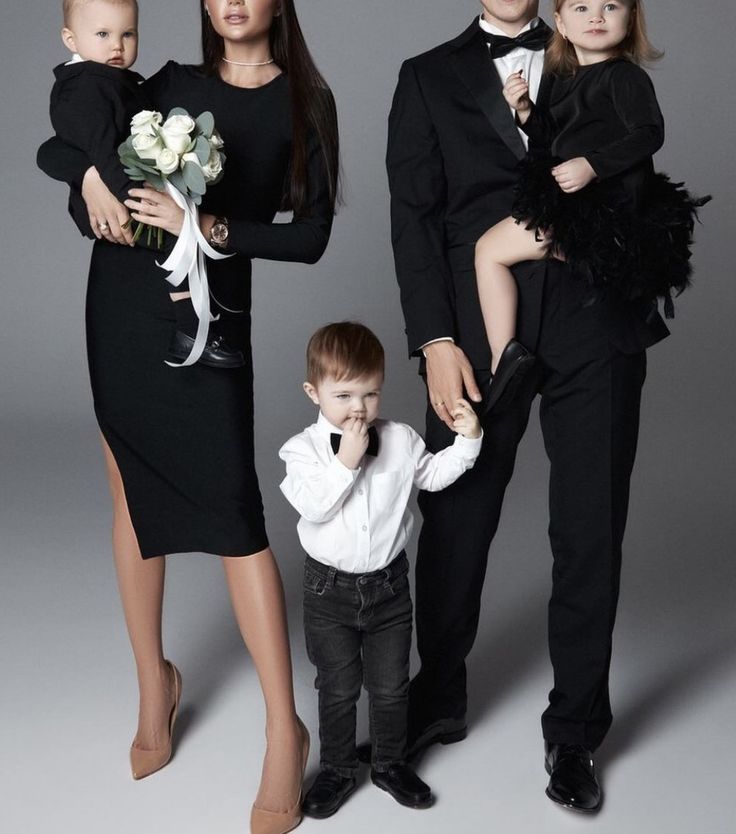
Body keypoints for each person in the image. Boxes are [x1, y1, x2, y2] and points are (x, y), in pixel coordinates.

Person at [37, 2, 339, 832]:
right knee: (131, 499)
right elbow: (60, 137)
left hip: (206, 321)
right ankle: (153, 685)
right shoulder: (164, 82)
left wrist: (204, 225)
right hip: (122, 309)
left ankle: (286, 725)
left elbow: (309, 237)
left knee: (238, 520)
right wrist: (92, 176)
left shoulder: (304, 100)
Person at [386, 0, 675, 813]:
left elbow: (636, 164)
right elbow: (414, 224)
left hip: (597, 321)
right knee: (457, 515)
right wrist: (436, 340)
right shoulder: (427, 77)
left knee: (589, 527)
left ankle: (576, 730)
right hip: (482, 333)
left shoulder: (592, 53)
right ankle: (436, 695)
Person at [278, 322, 482, 819]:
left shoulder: (400, 438)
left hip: (389, 587)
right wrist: (345, 463)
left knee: (391, 684)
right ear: (314, 392)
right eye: (343, 394)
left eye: (369, 394)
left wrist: (468, 441)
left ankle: (390, 762)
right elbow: (315, 508)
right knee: (338, 685)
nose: (358, 408)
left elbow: (432, 477)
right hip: (328, 592)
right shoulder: (301, 451)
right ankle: (338, 768)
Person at [475, 0, 708, 411]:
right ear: (560, 24)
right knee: (499, 253)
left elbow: (649, 134)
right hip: (573, 205)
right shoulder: (561, 78)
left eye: (610, 6)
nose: (596, 16)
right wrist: (526, 110)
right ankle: (510, 353)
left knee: (488, 251)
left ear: (631, 19)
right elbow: (550, 138)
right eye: (581, 7)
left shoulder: (625, 77)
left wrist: (592, 166)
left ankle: (504, 358)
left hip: (602, 210)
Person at [49, 0, 241, 367]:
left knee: (183, 234)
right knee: (177, 235)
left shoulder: (114, 81)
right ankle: (190, 330)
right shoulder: (86, 88)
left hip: (124, 188)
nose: (117, 46)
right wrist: (135, 198)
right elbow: (103, 153)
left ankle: (195, 325)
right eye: (103, 34)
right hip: (113, 200)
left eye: (128, 34)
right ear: (70, 39)